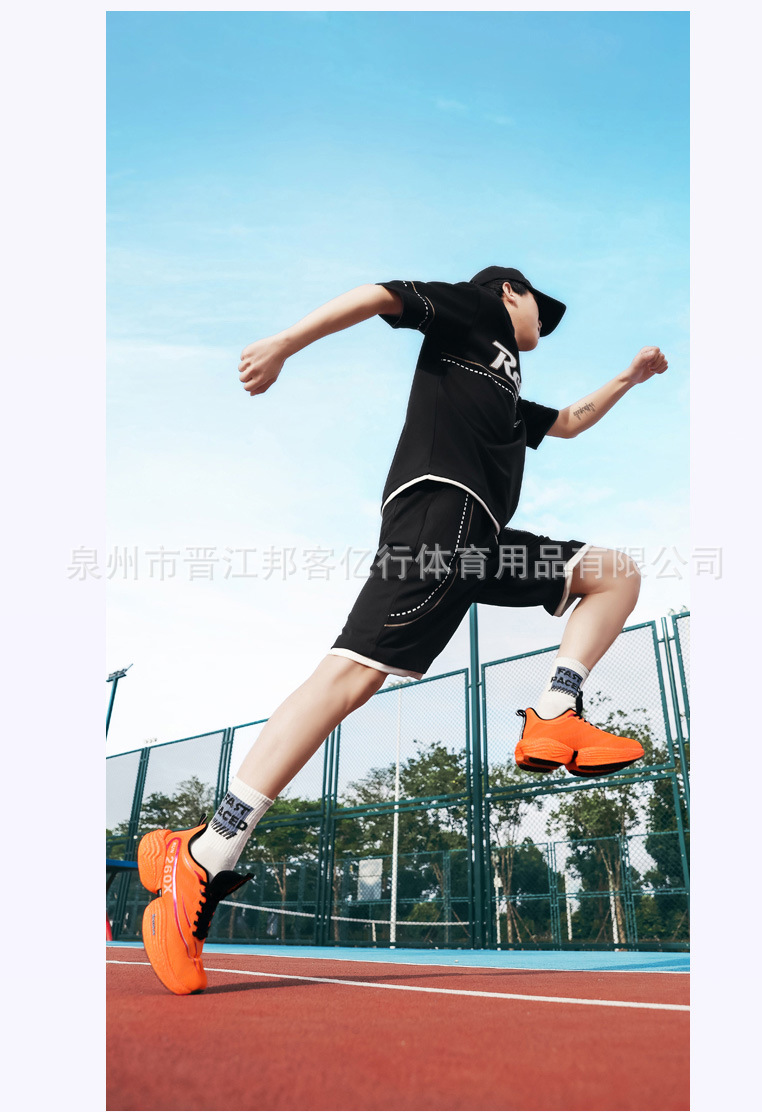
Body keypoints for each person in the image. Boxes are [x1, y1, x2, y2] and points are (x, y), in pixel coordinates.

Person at [136, 265, 668, 994]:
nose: (542, 324)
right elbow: (378, 297)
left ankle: (554, 713)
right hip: (438, 517)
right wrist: (285, 343)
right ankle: (208, 852)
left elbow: (571, 420)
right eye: (539, 309)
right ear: (509, 292)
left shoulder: (506, 393)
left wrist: (630, 379)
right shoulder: (476, 311)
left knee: (614, 573)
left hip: (481, 541)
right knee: (350, 677)